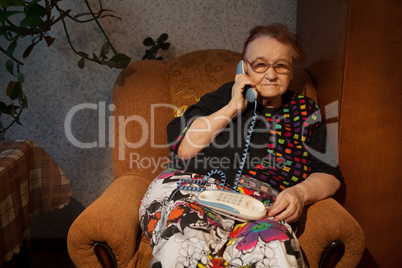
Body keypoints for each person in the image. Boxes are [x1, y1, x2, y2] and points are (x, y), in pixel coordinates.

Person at [139, 24, 342, 268]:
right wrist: (233, 107)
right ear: (243, 68)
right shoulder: (226, 96)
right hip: (194, 191)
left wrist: (299, 193)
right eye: (260, 64)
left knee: (277, 253)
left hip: (262, 208)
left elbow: (328, 173)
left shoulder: (306, 111)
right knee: (185, 241)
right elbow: (185, 147)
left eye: (281, 65)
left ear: (291, 70)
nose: (271, 74)